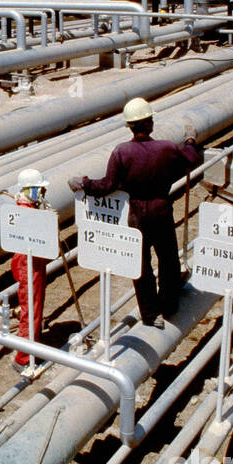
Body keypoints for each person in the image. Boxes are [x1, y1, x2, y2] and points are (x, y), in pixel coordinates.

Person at [69, 98, 202, 329]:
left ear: (130, 126)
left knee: (140, 265)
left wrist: (83, 183)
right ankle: (169, 305)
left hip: (136, 215)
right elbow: (191, 159)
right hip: (162, 210)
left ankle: (151, 314)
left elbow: (107, 185)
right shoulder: (167, 148)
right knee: (169, 260)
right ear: (149, 124)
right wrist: (190, 140)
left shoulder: (122, 152)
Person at [10, 167, 51, 372]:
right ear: (31, 190)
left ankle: (30, 348)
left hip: (31, 263)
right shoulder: (29, 214)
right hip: (30, 265)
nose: (43, 194)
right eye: (40, 190)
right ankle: (23, 357)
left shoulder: (23, 208)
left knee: (33, 307)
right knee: (30, 310)